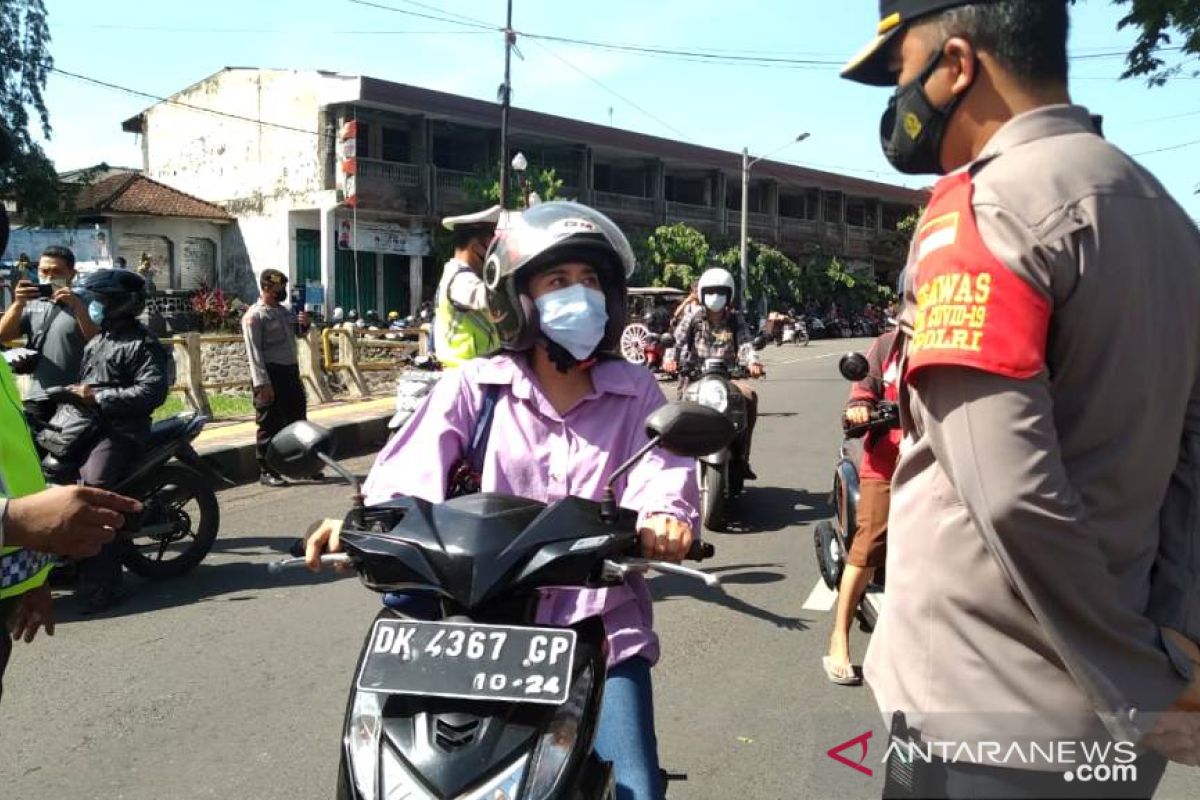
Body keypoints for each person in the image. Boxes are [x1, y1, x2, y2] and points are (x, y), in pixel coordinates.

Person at [842, 1, 1200, 795]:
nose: (898, 106)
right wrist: (1169, 642)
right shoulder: (1165, 216)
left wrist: (1137, 682)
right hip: (1117, 715)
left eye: (902, 76)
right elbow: (1193, 453)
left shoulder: (983, 209)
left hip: (983, 719)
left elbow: (1009, 495)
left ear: (959, 65)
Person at [305, 201, 698, 800]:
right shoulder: (475, 384)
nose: (580, 295)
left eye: (591, 281)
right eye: (558, 281)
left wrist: (664, 518)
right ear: (518, 300)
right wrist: (364, 523)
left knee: (635, 791)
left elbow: (661, 471)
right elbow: (404, 475)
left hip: (597, 625)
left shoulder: (637, 389)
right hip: (473, 629)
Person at [61, 269, 170, 611]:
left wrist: (99, 398)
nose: (93, 307)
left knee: (95, 493)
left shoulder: (144, 344)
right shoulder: (97, 340)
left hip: (122, 431)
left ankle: (104, 584)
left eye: (100, 301)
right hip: (86, 426)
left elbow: (152, 392)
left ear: (121, 304)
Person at [823, 326, 900, 685]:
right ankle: (840, 636)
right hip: (888, 461)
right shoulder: (888, 345)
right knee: (869, 544)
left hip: (942, 461)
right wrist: (860, 407)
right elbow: (862, 391)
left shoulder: (957, 341)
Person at [664, 267, 765, 480]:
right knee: (679, 415)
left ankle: (742, 456)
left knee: (749, 397)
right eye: (710, 292)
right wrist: (670, 360)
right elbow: (677, 341)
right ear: (701, 293)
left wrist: (753, 363)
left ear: (729, 294)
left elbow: (745, 344)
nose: (715, 297)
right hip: (694, 377)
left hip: (728, 378)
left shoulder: (735, 319)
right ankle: (678, 459)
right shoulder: (692, 317)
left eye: (720, 292)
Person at [0, 246, 99, 429]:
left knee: (71, 454)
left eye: (57, 271)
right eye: (44, 271)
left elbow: (99, 342)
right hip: (37, 396)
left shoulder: (88, 302)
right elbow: (3, 335)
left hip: (76, 397)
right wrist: (18, 304)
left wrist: (77, 306)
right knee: (36, 452)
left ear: (72, 274)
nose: (49, 277)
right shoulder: (32, 303)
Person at [241, 269, 311, 487]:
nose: (283, 292)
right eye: (279, 288)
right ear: (267, 287)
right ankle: (267, 470)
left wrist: (305, 323)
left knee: (297, 420)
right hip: (270, 374)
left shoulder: (285, 312)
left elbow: (299, 334)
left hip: (290, 372)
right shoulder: (254, 315)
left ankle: (301, 466)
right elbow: (254, 353)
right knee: (268, 425)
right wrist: (262, 383)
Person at [433, 205, 502, 368]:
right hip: (464, 376)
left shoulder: (459, 273)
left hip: (478, 372)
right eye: (494, 244)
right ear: (476, 246)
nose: (498, 251)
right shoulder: (461, 280)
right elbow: (488, 298)